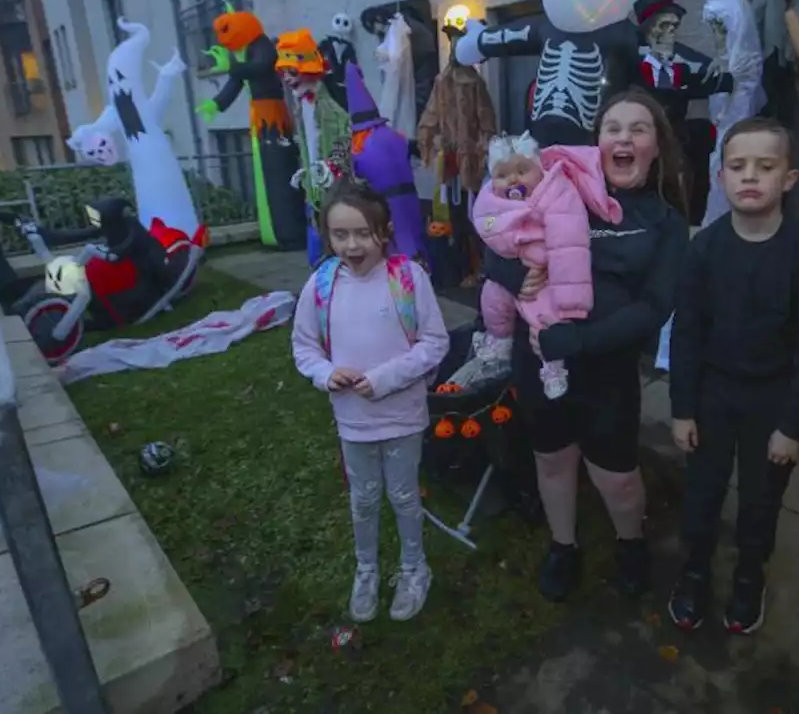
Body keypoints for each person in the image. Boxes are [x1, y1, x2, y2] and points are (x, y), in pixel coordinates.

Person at [485, 87, 689, 602]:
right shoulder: (561, 187)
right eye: (612, 128)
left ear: (656, 145)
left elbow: (654, 308)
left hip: (607, 371)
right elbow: (491, 229)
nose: (623, 138)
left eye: (637, 129)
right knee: (552, 459)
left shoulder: (665, 222)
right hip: (539, 358)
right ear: (595, 143)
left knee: (616, 475)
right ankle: (563, 545)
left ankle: (631, 542)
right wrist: (510, 273)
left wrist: (581, 340)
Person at [666, 117, 799, 634]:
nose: (750, 177)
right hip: (714, 394)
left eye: (765, 166)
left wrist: (792, 425)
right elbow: (687, 333)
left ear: (789, 178)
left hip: (773, 397)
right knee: (702, 494)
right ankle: (694, 573)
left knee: (761, 502)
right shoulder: (705, 250)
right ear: (721, 177)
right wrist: (682, 408)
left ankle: (747, 577)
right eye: (738, 166)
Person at [291, 182, 450, 622]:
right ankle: (366, 569)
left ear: (386, 231)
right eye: (339, 235)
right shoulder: (321, 285)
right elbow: (304, 346)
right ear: (327, 235)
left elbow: (434, 343)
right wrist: (326, 374)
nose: (351, 245)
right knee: (362, 499)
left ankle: (414, 567)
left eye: (362, 233)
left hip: (401, 416)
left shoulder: (408, 279)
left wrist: (381, 379)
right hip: (353, 421)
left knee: (402, 494)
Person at [472, 132, 623, 399]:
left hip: (548, 267)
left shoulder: (556, 191)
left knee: (546, 317)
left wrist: (571, 301)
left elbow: (569, 245)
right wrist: (508, 259)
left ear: (539, 168)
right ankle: (498, 340)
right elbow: (489, 230)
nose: (514, 180)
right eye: (503, 175)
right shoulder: (493, 199)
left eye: (522, 170)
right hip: (516, 263)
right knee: (492, 298)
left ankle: (553, 368)